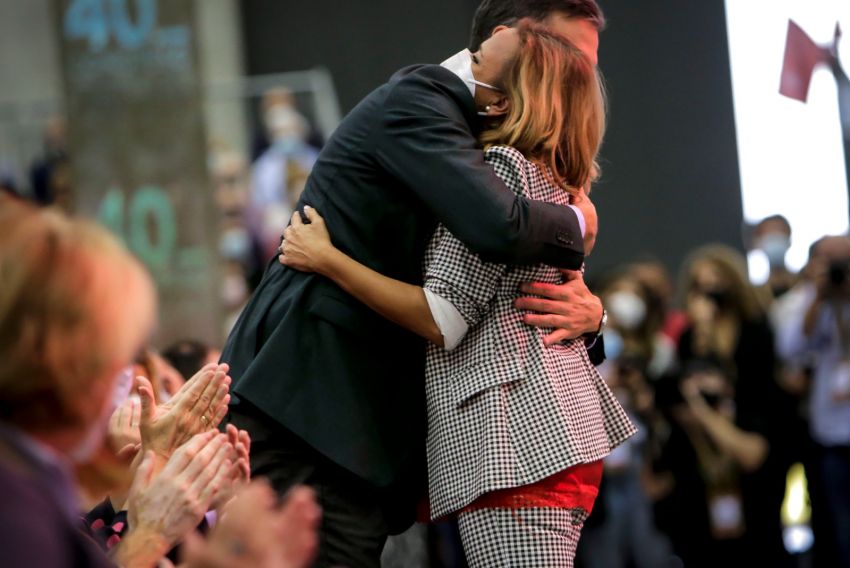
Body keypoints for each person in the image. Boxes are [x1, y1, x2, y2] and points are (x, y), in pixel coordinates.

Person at [221, 1, 608, 565]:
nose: (580, 75)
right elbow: (496, 229)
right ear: (511, 39)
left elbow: (520, 291)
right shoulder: (424, 102)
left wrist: (593, 312)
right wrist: (579, 222)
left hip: (429, 437)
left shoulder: (514, 160)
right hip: (317, 411)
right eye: (569, 55)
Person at [653, 245, 792, 568]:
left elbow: (760, 385)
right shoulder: (689, 335)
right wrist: (702, 331)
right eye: (700, 285)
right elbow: (682, 383)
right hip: (703, 447)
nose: (710, 293)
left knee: (761, 535)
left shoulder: (755, 329)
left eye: (716, 282)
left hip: (749, 432)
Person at [775, 235, 850, 568]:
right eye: (830, 261)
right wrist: (819, 297)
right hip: (831, 432)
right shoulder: (807, 300)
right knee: (840, 526)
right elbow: (791, 349)